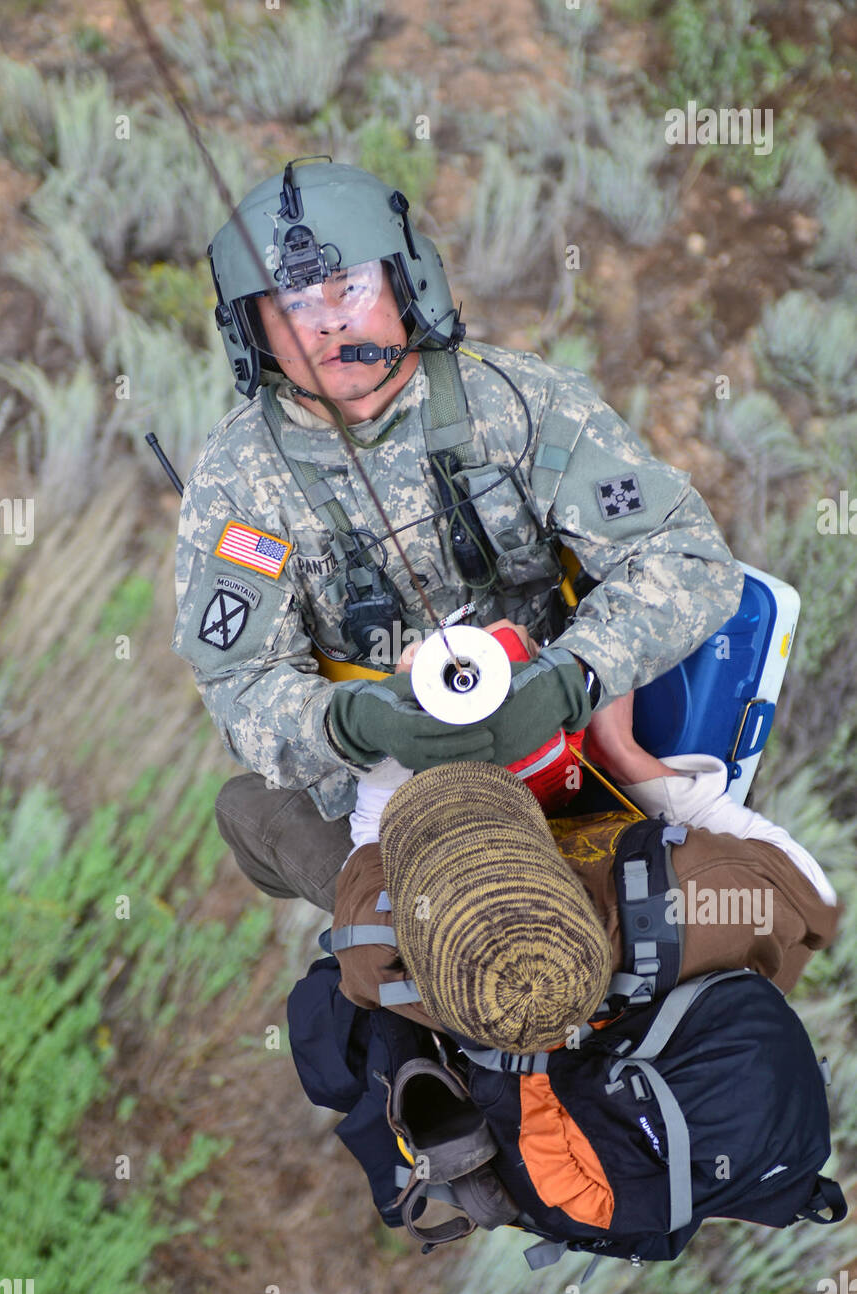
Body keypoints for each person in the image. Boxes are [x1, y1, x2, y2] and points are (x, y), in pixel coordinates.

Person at [171, 156, 744, 914]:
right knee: (407, 956)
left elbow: (688, 559)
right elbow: (240, 684)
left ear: (407, 282)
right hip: (386, 785)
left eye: (352, 288)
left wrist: (576, 676)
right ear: (254, 333)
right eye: (294, 305)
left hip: (561, 739)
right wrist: (349, 723)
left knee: (720, 910)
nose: (331, 321)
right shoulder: (239, 480)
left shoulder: (518, 401)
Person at [328, 686, 841, 1049]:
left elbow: (373, 828)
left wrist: (402, 706)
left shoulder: (377, 949)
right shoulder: (704, 898)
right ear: (558, 866)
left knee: (249, 811)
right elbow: (813, 892)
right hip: (689, 959)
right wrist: (624, 755)